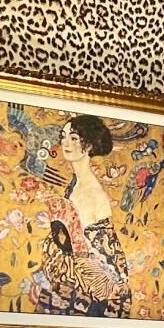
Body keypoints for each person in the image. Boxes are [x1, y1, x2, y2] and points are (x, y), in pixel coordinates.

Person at [28, 113, 133, 317]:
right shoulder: (75, 184)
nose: (66, 142)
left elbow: (101, 256)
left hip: (85, 291)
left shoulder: (92, 192)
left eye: (74, 138)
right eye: (64, 136)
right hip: (66, 280)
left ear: (90, 146)